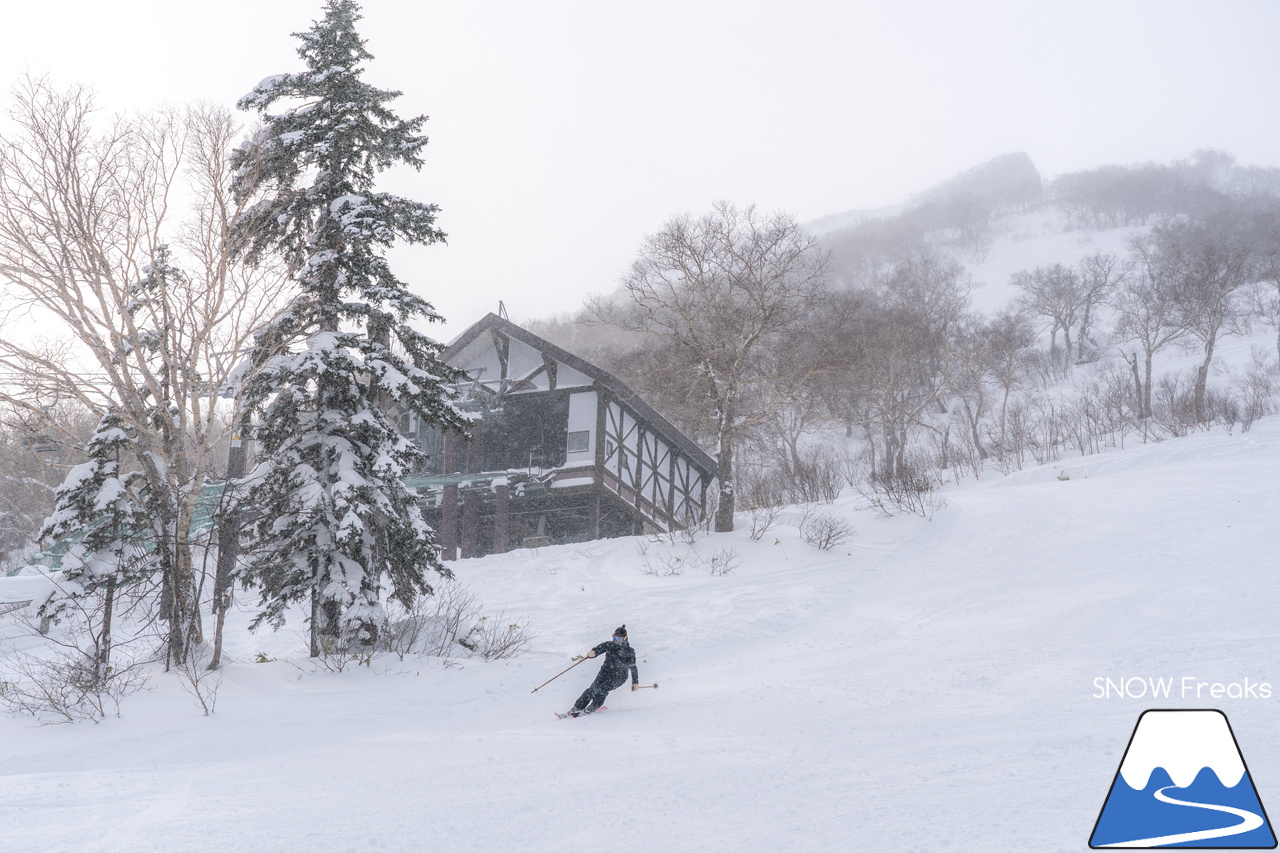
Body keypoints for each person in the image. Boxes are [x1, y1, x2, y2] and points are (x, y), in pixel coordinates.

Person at [567, 625, 638, 716]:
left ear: (625, 638)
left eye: (618, 639)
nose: (616, 640)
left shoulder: (629, 651)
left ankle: (592, 708)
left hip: (619, 676)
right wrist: (593, 652)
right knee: (591, 690)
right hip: (604, 673)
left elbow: (633, 667)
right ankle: (577, 708)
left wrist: (635, 682)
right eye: (614, 637)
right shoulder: (609, 645)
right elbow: (600, 648)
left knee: (602, 689)